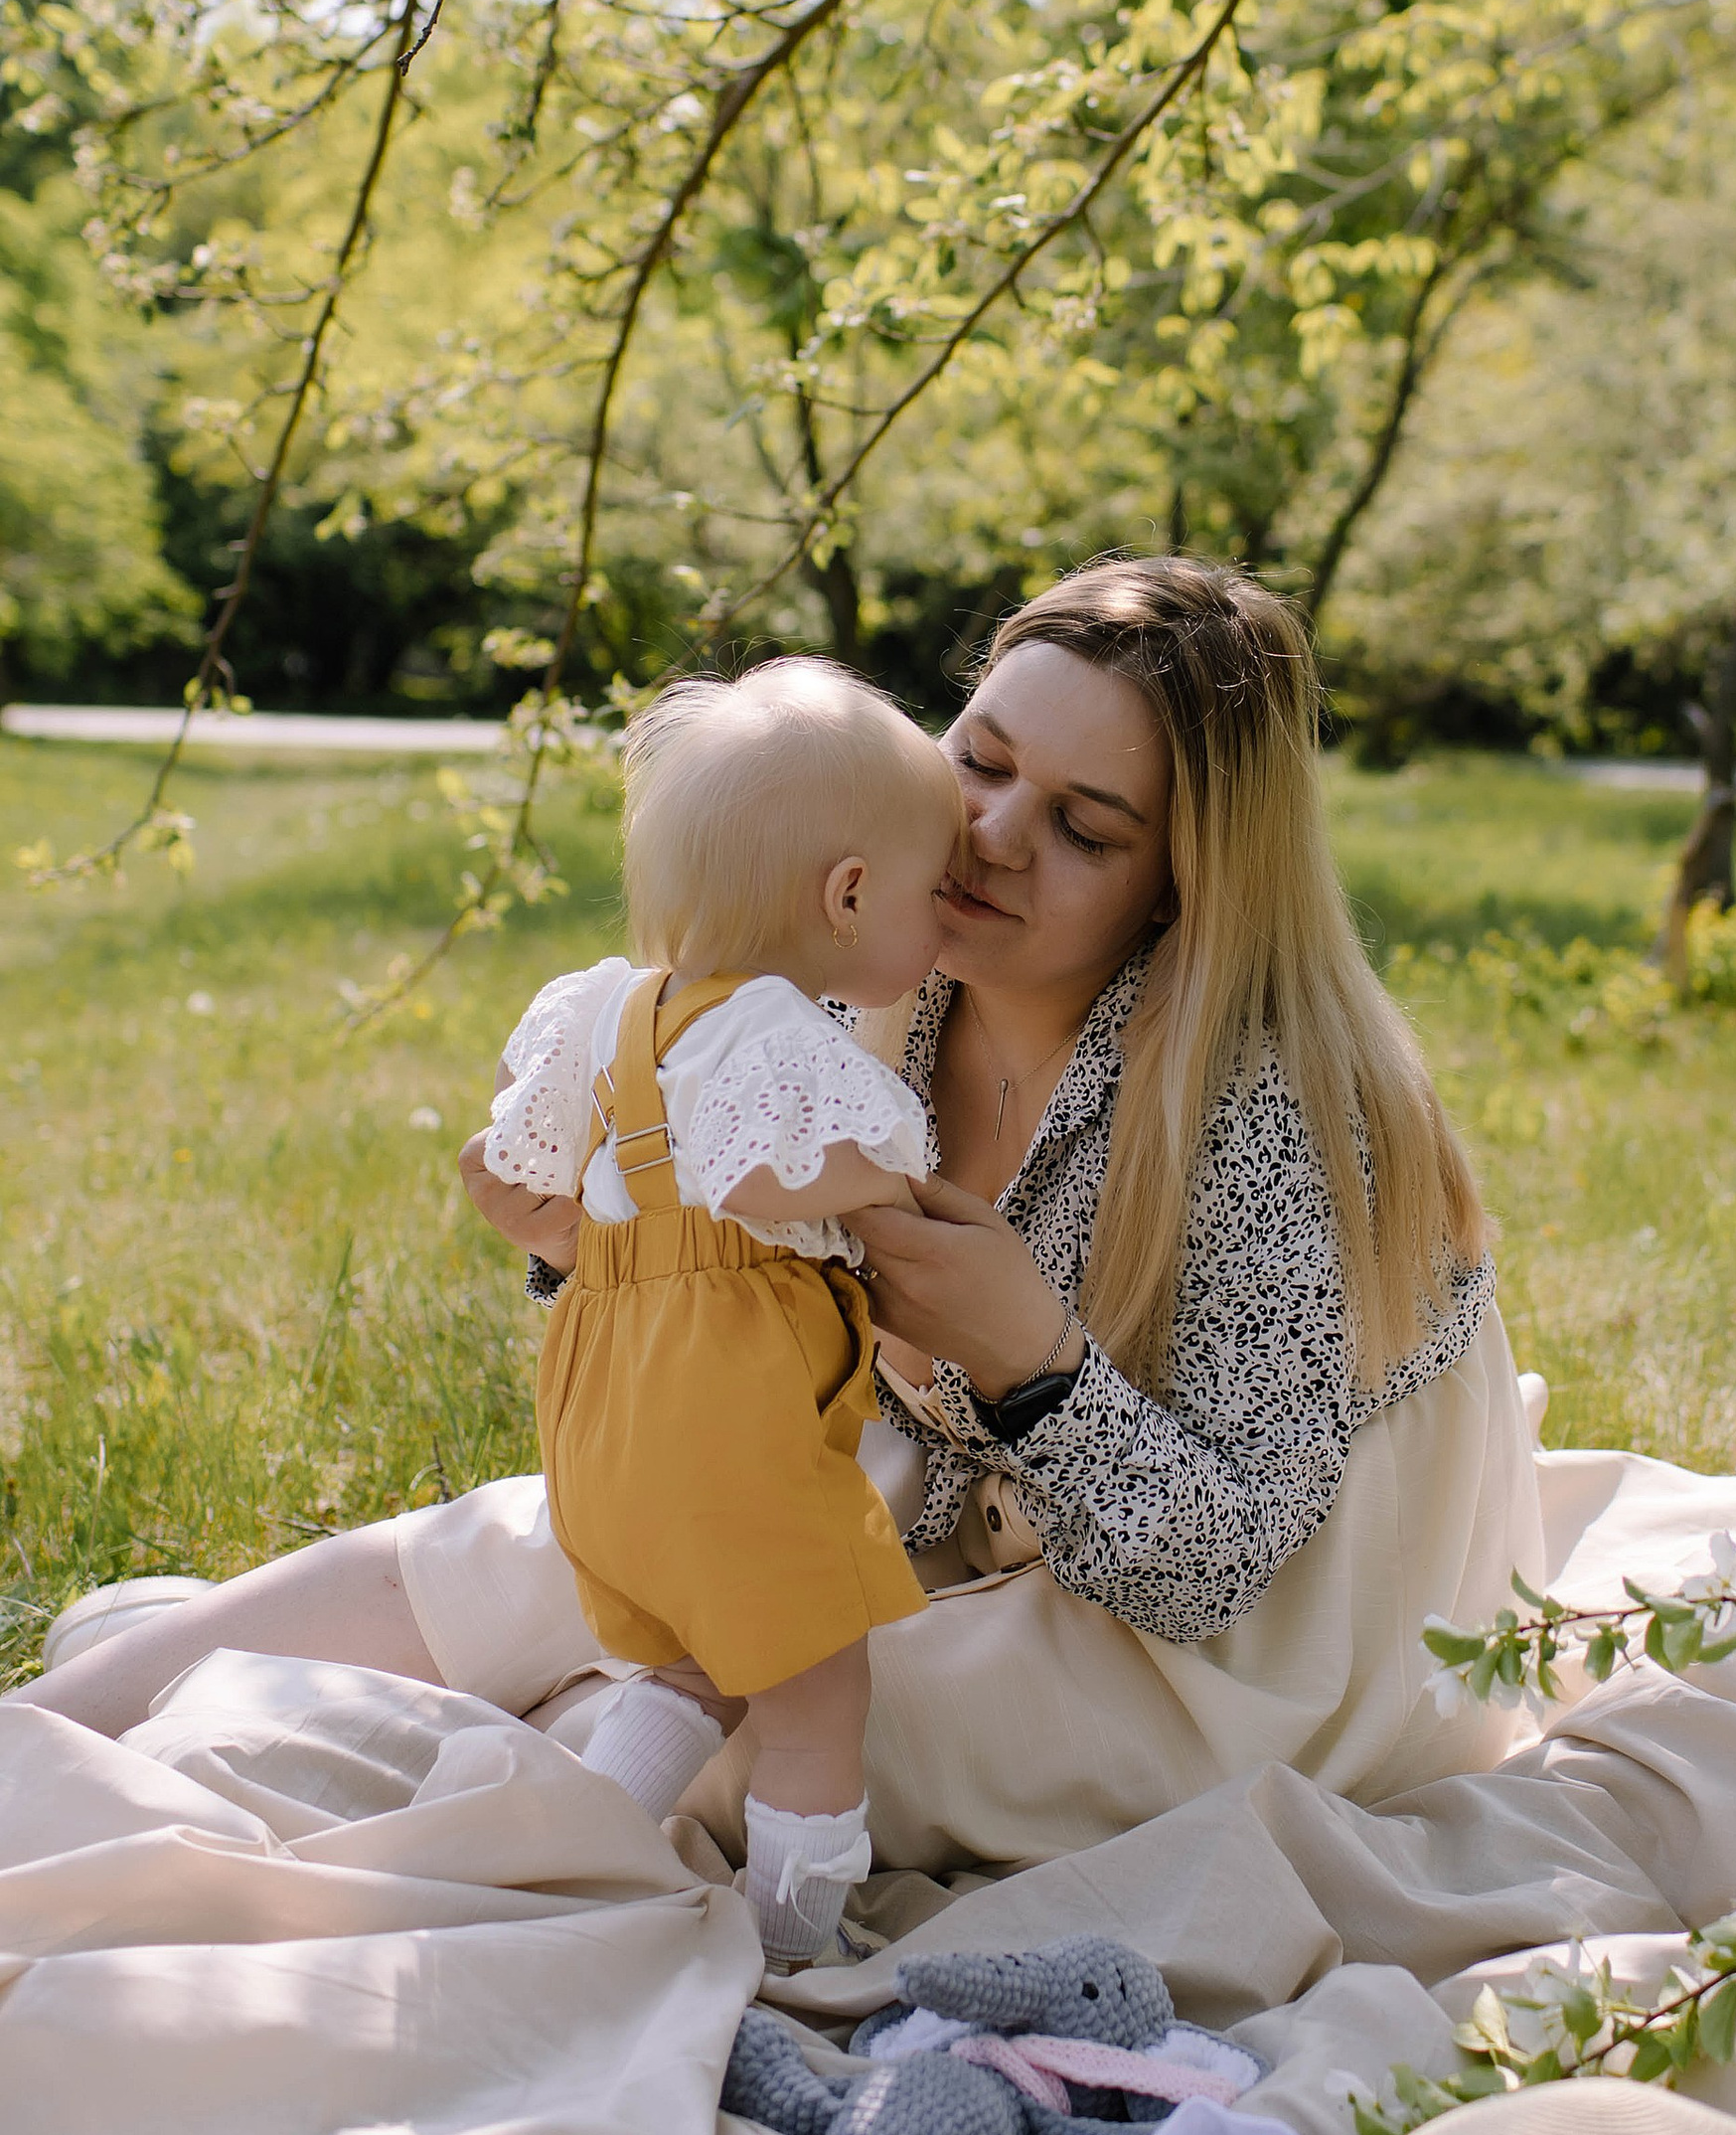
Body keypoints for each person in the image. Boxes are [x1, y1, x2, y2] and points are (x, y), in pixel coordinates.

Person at [26, 560, 1545, 1877]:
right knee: (543, 1558)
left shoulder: (1272, 1106)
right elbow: (744, 1320)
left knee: (763, 1731)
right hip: (965, 1491)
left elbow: (1219, 1569)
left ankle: (403, 1812)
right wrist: (592, 1252)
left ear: (1184, 884)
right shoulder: (877, 982)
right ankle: (40, 1735)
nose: (994, 833)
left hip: (1233, 1642)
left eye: (1086, 827)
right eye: (983, 759)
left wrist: (1035, 1363)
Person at [482, 658, 958, 1960]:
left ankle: (560, 1841)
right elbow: (767, 1173)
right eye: (937, 892)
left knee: (698, 1666)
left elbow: (514, 1175)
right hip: (724, 1411)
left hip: (604, 1412)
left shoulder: (608, 1010)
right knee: (816, 1698)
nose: (948, 917)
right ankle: (795, 1947)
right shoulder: (784, 1039)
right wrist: (903, 1170)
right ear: (851, 895)